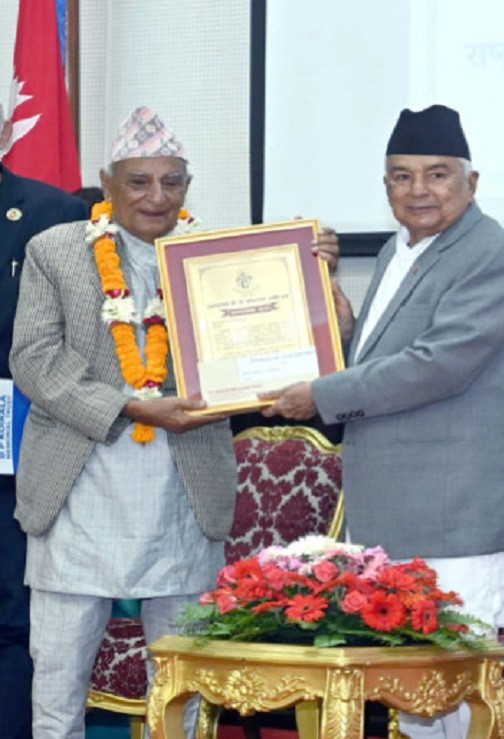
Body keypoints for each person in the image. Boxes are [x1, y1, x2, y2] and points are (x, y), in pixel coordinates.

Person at [9, 106, 338, 738]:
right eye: (138, 181)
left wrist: (313, 282)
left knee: (184, 690)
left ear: (188, 187)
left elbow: (274, 351)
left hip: (182, 493)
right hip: (77, 491)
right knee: (56, 690)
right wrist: (128, 406)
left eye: (171, 182)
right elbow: (35, 359)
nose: (155, 197)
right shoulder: (54, 251)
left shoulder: (214, 259)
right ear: (107, 184)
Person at [263, 104, 504, 739]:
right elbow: (386, 357)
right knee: (414, 698)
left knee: (454, 694)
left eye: (437, 175)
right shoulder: (400, 248)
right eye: (402, 176)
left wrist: (320, 395)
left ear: (471, 181)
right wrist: (339, 325)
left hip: (456, 515)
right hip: (397, 511)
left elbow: (437, 366)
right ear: (385, 185)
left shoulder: (489, 253)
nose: (419, 190)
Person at [0, 103, 87, 739]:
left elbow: (67, 336)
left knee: (10, 614)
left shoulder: (53, 213)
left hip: (13, 443)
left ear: (6, 130)